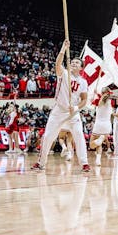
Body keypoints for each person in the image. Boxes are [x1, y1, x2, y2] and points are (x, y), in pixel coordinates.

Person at [31, 39, 90, 172]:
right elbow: (58, 63)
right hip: (59, 110)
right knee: (48, 137)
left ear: (81, 68)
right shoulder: (63, 73)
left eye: (77, 63)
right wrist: (63, 48)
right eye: (72, 62)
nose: (74, 63)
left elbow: (84, 100)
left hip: (73, 112)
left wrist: (76, 108)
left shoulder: (83, 82)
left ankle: (84, 163)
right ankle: (41, 163)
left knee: (79, 136)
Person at [89, 87, 113, 166]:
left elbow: (92, 102)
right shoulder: (111, 102)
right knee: (99, 144)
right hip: (107, 126)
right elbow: (105, 98)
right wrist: (98, 93)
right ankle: (98, 160)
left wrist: (94, 94)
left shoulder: (97, 101)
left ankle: (98, 141)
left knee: (92, 145)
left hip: (99, 125)